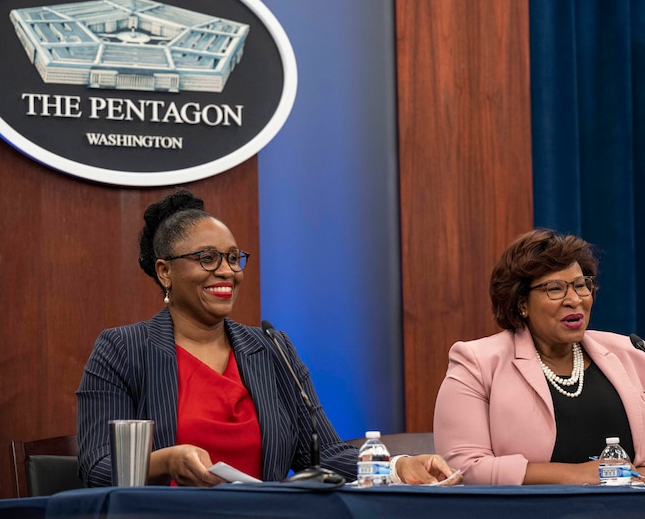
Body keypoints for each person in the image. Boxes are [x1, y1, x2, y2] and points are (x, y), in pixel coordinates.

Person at [77, 188, 460, 487]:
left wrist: (397, 466)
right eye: (207, 258)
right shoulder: (123, 349)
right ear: (165, 272)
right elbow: (96, 467)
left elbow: (322, 453)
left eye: (232, 258)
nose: (226, 271)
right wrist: (165, 461)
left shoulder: (272, 348)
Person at [433, 228, 645, 485]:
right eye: (555, 289)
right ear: (521, 303)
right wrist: (578, 475)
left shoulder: (635, 353)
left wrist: (634, 479)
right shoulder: (477, 362)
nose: (574, 299)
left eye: (581, 285)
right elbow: (463, 467)